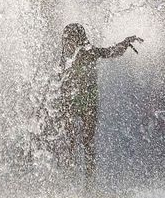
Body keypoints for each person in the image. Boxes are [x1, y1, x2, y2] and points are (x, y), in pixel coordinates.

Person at [59, 23, 142, 186]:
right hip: (71, 101)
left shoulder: (89, 51)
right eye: (65, 38)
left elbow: (111, 52)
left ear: (78, 38)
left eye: (69, 38)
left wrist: (124, 43)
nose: (66, 42)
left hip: (88, 101)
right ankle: (70, 181)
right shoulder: (67, 55)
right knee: (71, 142)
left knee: (86, 142)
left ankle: (89, 183)